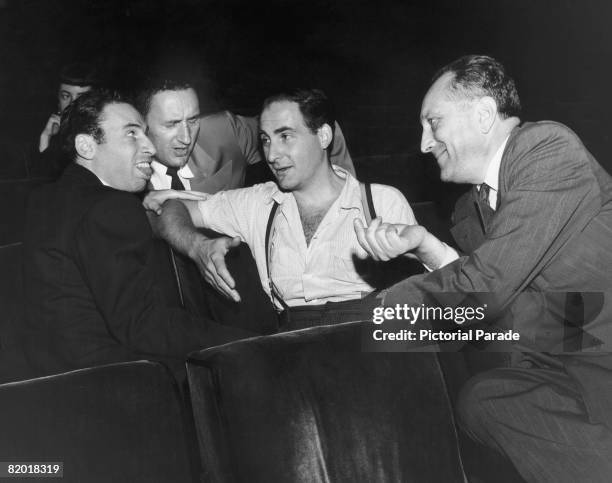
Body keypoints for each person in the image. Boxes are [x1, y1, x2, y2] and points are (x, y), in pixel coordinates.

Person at [354, 55, 612, 481]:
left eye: (432, 123)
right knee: (483, 400)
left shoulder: (547, 148)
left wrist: (376, 314)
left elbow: (486, 286)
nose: (423, 143)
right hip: (572, 350)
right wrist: (425, 245)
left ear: (484, 114)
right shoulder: (469, 211)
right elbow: (500, 305)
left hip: (596, 345)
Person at [23, 89, 253, 380]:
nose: (150, 147)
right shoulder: (110, 207)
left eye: (145, 133)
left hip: (54, 387)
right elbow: (144, 325)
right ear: (86, 146)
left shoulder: (44, 201)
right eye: (132, 134)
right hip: (118, 387)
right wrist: (245, 344)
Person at [146, 88, 415, 331]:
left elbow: (419, 311)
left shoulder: (381, 202)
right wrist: (197, 246)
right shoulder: (256, 203)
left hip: (372, 348)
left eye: (285, 136)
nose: (272, 154)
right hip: (292, 352)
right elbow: (169, 211)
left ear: (323, 135)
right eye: (265, 140)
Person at [136, 77, 356, 303]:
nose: (185, 138)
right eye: (171, 124)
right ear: (141, 125)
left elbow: (319, 128)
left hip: (245, 292)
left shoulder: (223, 132)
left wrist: (342, 209)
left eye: (192, 120)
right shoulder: (121, 174)